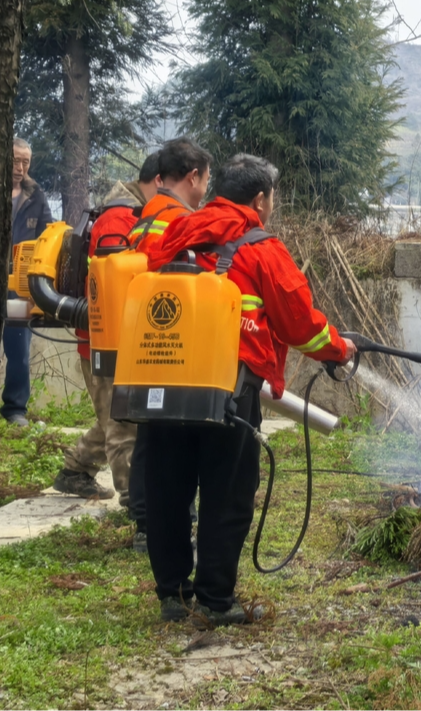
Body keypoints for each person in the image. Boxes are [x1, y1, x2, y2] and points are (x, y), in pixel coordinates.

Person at [140, 153, 354, 624]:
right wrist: (339, 350)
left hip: (163, 375)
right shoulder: (262, 247)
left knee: (166, 490)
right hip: (228, 391)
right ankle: (216, 602)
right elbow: (300, 323)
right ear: (260, 199)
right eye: (272, 199)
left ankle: (173, 597)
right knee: (227, 492)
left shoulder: (177, 231)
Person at [52, 152, 162, 502]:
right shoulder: (118, 220)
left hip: (119, 339)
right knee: (123, 425)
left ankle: (74, 469)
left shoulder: (134, 214)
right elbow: (111, 292)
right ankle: (137, 505)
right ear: (160, 181)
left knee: (114, 415)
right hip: (106, 343)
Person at [128, 137, 211, 553]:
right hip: (170, 335)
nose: (206, 190)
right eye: (206, 179)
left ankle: (146, 518)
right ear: (193, 176)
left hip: (142, 335)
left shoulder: (146, 213)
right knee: (160, 438)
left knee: (149, 431)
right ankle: (150, 521)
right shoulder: (178, 218)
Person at [0, 138, 53, 426]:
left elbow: (48, 236)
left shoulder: (36, 194)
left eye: (25, 162)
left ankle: (15, 408)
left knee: (19, 346)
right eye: (15, 160)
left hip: (20, 282)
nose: (19, 167)